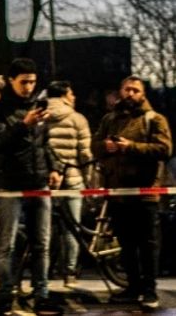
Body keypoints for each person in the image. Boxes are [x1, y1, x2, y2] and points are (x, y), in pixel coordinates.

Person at [0, 58, 60, 314]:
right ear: (11, 81)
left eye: (33, 82)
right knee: (5, 244)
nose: (29, 87)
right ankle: (5, 294)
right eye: (24, 82)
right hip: (11, 183)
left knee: (42, 243)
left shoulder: (38, 107)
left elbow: (44, 143)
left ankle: (42, 293)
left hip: (39, 180)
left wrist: (54, 167)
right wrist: (23, 124)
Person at [92, 76, 171, 310]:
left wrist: (131, 147)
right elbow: (94, 146)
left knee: (147, 245)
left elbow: (165, 149)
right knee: (126, 244)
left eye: (136, 90)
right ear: (120, 91)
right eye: (127, 89)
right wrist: (104, 147)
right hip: (118, 193)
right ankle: (132, 287)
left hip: (145, 194)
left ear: (143, 94)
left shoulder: (154, 119)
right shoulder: (110, 120)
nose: (131, 94)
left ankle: (149, 291)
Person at [44, 80, 93, 286]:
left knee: (44, 230)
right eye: (72, 93)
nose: (74, 97)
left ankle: (44, 272)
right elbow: (85, 154)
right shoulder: (78, 119)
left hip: (47, 181)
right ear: (64, 95)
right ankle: (70, 273)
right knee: (72, 228)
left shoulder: (40, 117)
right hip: (73, 178)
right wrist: (88, 180)